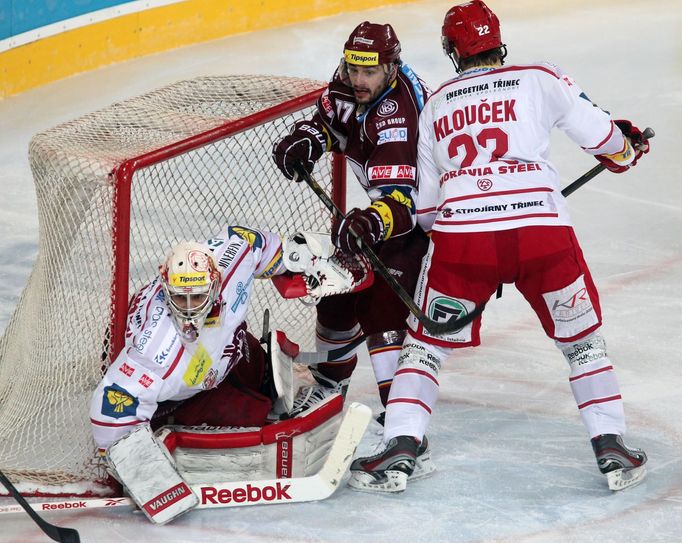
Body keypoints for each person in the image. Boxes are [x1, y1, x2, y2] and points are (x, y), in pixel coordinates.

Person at [348, 0, 651, 494]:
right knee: (581, 343)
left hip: (464, 243)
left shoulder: (439, 101)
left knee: (424, 349)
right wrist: (626, 147)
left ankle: (401, 448)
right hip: (542, 236)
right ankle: (611, 446)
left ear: (451, 50)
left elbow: (425, 210)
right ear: (498, 41)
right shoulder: (538, 76)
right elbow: (606, 139)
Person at [89, 225, 371, 522]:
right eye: (179, 298)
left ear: (215, 283)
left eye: (196, 298)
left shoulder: (228, 261)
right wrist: (140, 473)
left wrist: (298, 259)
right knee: (251, 411)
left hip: (214, 358)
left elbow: (250, 242)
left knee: (252, 362)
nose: (188, 310)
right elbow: (111, 407)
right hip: (174, 392)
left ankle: (252, 376)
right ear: (166, 288)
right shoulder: (156, 354)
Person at [272, 21, 431, 426]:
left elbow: (402, 206)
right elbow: (330, 126)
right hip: (390, 212)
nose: (358, 80)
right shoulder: (349, 81)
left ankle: (400, 417)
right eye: (353, 69)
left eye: (369, 72)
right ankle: (329, 383)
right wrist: (308, 138)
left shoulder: (398, 114)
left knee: (383, 304)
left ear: (391, 70)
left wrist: (371, 222)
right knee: (337, 290)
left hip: (433, 219)